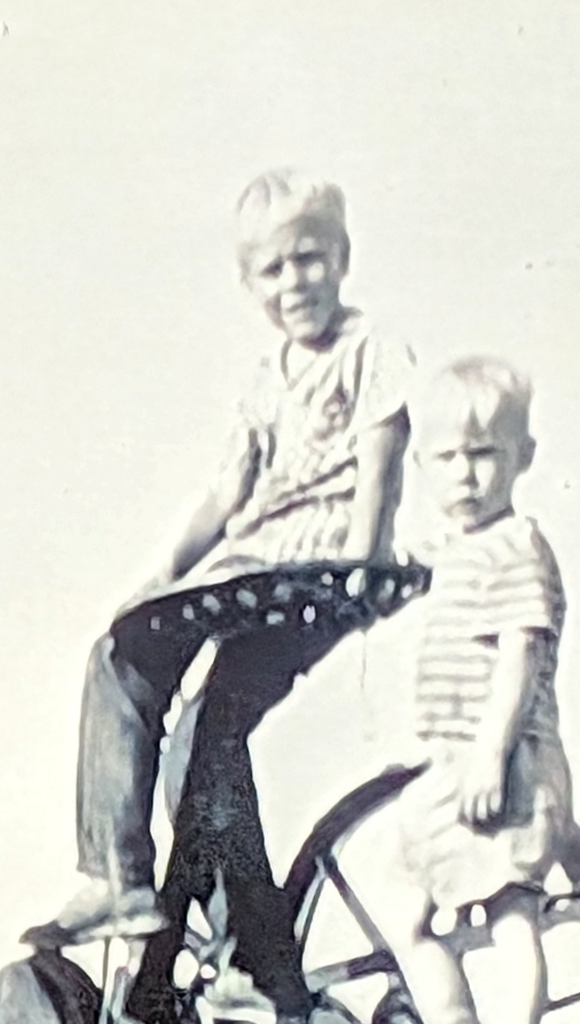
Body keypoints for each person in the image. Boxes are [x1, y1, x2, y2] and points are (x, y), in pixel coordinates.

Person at [31, 170, 414, 949]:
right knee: (166, 704)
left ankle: (151, 893)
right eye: (272, 269)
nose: (293, 282)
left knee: (178, 703)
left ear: (341, 258)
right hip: (253, 555)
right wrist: (160, 576)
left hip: (312, 558)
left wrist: (360, 563)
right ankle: (224, 935)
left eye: (308, 259)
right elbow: (225, 493)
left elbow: (382, 454)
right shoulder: (264, 381)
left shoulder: (366, 347)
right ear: (249, 283)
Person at [386, 358, 576, 1024]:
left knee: (510, 913)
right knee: (405, 912)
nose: (465, 476)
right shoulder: (457, 549)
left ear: (522, 457)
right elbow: (427, 562)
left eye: (483, 455)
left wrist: (492, 754)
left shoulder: (516, 547)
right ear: (420, 464)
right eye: (447, 458)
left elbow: (518, 657)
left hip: (504, 757)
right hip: (448, 763)